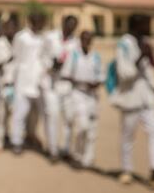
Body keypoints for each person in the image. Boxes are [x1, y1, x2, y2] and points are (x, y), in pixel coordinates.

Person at [111, 14, 154, 188]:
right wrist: (139, 58)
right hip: (130, 98)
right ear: (136, 25)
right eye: (146, 23)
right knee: (128, 136)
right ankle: (126, 171)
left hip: (148, 98)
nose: (149, 26)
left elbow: (150, 71)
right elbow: (124, 73)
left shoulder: (145, 42)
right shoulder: (123, 44)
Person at [10, 12, 54, 157]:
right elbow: (16, 58)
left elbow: (48, 58)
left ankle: (50, 146)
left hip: (40, 82)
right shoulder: (21, 37)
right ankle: (16, 142)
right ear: (30, 21)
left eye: (41, 21)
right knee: (20, 113)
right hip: (23, 81)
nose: (39, 24)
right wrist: (12, 80)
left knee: (43, 115)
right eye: (36, 21)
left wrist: (46, 68)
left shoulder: (45, 38)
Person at [59, 31, 102, 168]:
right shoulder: (74, 55)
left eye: (89, 39)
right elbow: (65, 74)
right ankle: (77, 154)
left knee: (92, 129)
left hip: (92, 96)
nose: (86, 41)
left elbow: (101, 76)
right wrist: (80, 81)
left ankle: (88, 158)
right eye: (84, 39)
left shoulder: (96, 57)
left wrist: (95, 83)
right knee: (82, 126)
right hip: (77, 94)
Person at [44, 15, 79, 160]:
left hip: (68, 86)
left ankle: (66, 148)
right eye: (69, 24)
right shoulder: (50, 37)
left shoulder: (75, 43)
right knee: (52, 116)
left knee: (69, 118)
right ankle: (53, 150)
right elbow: (42, 56)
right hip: (52, 84)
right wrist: (51, 66)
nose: (71, 28)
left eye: (74, 25)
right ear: (63, 23)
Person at [0, 19, 16, 151]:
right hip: (3, 83)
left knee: (12, 114)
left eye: (13, 28)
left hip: (16, 85)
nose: (11, 31)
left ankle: (9, 137)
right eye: (8, 28)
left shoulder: (18, 43)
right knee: (1, 114)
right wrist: (8, 59)